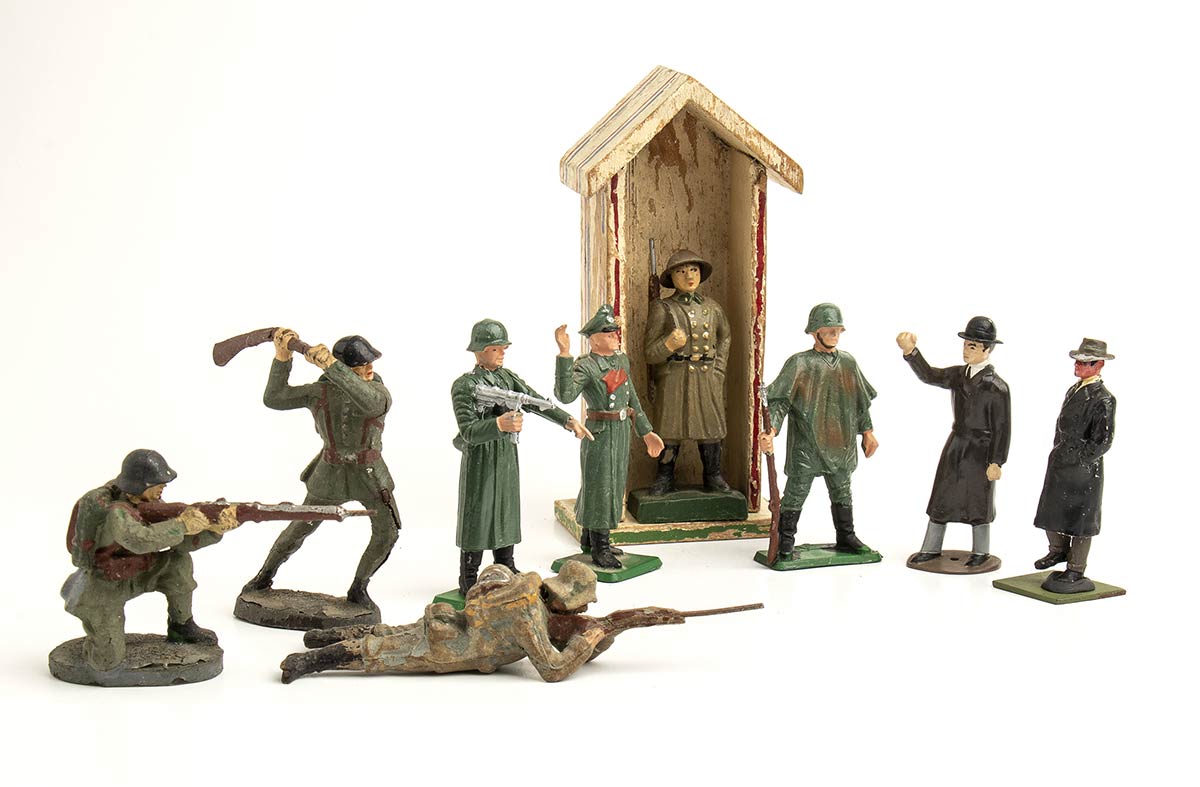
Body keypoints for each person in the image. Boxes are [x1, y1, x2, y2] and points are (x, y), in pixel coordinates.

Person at [242, 329, 401, 609]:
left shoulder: (378, 392)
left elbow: (370, 403)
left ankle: (359, 588)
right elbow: (274, 398)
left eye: (369, 362)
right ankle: (263, 578)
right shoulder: (320, 392)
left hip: (369, 474)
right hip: (330, 473)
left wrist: (332, 367)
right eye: (360, 365)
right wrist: (282, 357)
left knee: (387, 532)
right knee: (300, 527)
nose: (369, 368)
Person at [280, 562, 611, 683]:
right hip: (449, 647)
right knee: (380, 650)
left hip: (447, 619)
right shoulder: (529, 614)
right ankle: (308, 662)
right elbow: (552, 668)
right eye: (583, 603)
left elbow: (492, 573)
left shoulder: (527, 583)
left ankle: (320, 637)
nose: (584, 608)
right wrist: (591, 638)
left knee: (388, 632)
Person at [62, 450, 238, 671]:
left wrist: (213, 529)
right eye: (157, 484)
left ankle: (181, 626)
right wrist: (182, 525)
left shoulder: (147, 503)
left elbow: (179, 543)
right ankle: (95, 647)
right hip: (104, 584)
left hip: (138, 569)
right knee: (106, 663)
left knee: (177, 564)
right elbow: (140, 540)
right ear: (139, 485)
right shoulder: (116, 512)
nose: (162, 488)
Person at [452, 319, 591, 594]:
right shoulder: (465, 385)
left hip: (505, 453)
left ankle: (506, 564)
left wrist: (567, 420)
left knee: (506, 507)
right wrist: (497, 424)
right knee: (478, 512)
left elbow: (534, 401)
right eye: (496, 348)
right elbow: (467, 431)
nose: (502, 352)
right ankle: (468, 575)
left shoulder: (507, 378)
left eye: (503, 347)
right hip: (480, 457)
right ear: (480, 351)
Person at [759, 303, 878, 561]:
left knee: (842, 492)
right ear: (816, 333)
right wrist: (771, 431)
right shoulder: (799, 364)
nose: (835, 335)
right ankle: (785, 539)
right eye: (829, 330)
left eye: (838, 330)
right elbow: (780, 402)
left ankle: (846, 536)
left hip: (841, 443)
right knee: (796, 493)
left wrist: (867, 432)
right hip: (807, 445)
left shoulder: (848, 363)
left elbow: (859, 402)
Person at [554, 305, 664, 568]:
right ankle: (599, 546)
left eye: (614, 331)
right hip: (599, 434)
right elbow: (565, 395)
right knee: (599, 487)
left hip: (620, 433)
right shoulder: (587, 365)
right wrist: (565, 355)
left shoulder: (621, 360)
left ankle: (591, 538)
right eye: (608, 332)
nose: (615, 335)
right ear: (593, 340)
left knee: (613, 486)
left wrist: (646, 431)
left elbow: (632, 399)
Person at [898, 317, 1011, 568]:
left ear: (987, 349)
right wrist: (911, 352)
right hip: (957, 444)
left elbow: (1002, 428)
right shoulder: (958, 375)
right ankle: (931, 547)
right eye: (965, 345)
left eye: (972, 346)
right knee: (942, 495)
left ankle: (981, 552)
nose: (966, 350)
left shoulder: (997, 387)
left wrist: (996, 461)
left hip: (981, 450)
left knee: (979, 500)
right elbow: (930, 375)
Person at [643, 250, 732, 494]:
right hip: (675, 377)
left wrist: (719, 369)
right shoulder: (663, 308)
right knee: (669, 429)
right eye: (681, 271)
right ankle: (665, 476)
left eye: (693, 270)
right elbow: (649, 353)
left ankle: (713, 475)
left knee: (711, 428)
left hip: (706, 377)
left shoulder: (712, 308)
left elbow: (725, 337)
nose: (689, 276)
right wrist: (668, 345)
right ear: (672, 277)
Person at [1032, 338, 1117, 593]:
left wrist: (1080, 459)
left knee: (1081, 522)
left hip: (1083, 470)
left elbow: (1103, 440)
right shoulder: (1074, 389)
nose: (1078, 365)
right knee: (1050, 513)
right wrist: (1059, 453)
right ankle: (1058, 550)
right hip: (1061, 463)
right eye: (1077, 361)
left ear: (1099, 365)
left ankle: (1076, 568)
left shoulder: (1104, 398)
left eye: (1085, 362)